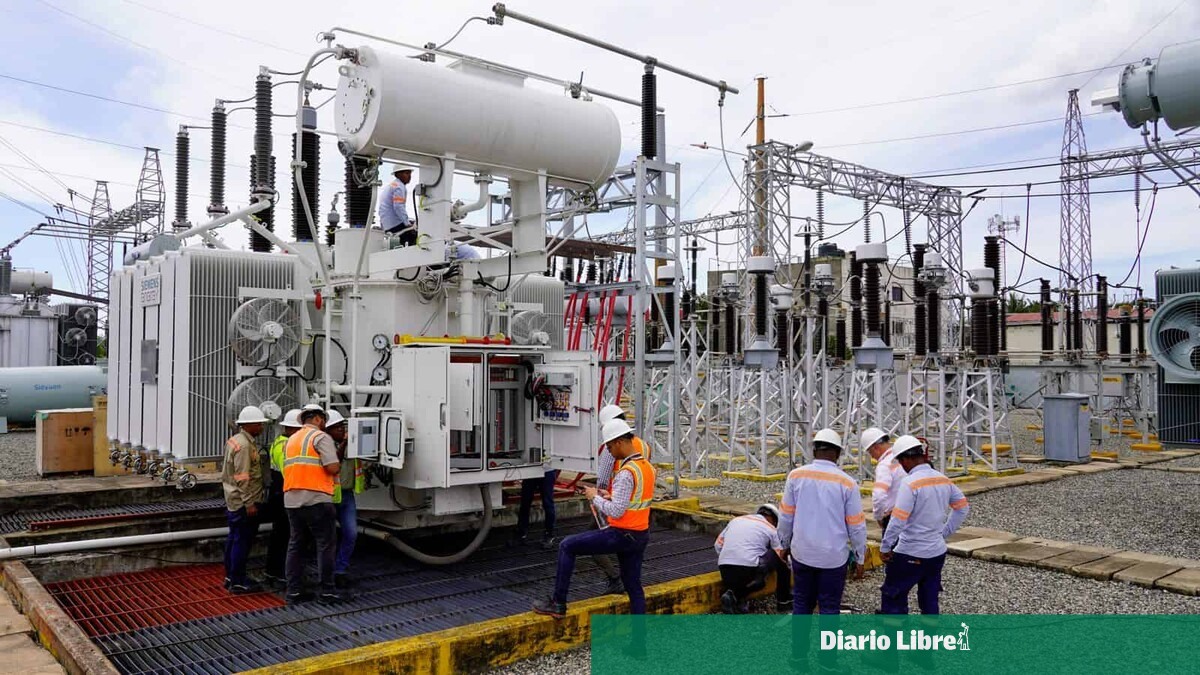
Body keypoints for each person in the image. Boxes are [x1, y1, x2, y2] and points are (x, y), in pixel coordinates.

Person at [532, 418, 656, 619]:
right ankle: (638, 638)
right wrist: (610, 496)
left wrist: (594, 497)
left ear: (619, 442)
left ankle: (558, 603)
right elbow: (635, 499)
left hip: (621, 534)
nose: (609, 452)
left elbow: (616, 511)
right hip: (640, 534)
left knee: (567, 546)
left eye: (609, 447)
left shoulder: (626, 473)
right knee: (633, 587)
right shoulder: (646, 467)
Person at [779, 428, 867, 615]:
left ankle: (800, 637)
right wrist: (860, 557)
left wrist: (783, 545)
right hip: (833, 558)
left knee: (802, 604)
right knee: (829, 608)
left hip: (802, 553)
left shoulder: (795, 476)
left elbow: (786, 517)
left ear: (814, 451)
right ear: (838, 453)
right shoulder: (848, 483)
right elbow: (856, 526)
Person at [879, 435, 970, 615]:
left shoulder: (910, 483)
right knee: (930, 601)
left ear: (905, 460)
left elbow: (898, 520)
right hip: (936, 553)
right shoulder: (943, 479)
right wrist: (943, 533)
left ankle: (893, 633)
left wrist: (886, 546)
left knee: (893, 598)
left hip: (909, 552)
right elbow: (962, 508)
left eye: (901, 462)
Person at [282, 406, 344, 604]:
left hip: (292, 500)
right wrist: (338, 462)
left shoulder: (291, 440)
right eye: (324, 420)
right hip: (317, 499)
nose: (325, 424)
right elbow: (332, 467)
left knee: (296, 545)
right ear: (317, 419)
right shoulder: (320, 437)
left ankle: (293, 591)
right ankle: (327, 592)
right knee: (325, 544)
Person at [589, 403, 647, 595]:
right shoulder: (642, 444)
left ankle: (614, 578)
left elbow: (603, 478)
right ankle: (628, 580)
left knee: (591, 541)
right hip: (638, 513)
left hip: (614, 506)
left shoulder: (612, 446)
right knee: (629, 551)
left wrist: (596, 499)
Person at [221, 405, 268, 594]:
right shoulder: (245, 446)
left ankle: (231, 576)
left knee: (234, 538)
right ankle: (238, 581)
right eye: (259, 424)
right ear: (249, 425)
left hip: (233, 499)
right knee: (242, 541)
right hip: (243, 502)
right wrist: (249, 503)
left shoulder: (235, 440)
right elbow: (242, 477)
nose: (261, 428)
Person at [715, 504, 791, 614]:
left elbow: (717, 545)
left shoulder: (735, 521)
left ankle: (734, 597)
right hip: (749, 570)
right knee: (778, 557)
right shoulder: (770, 528)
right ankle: (783, 601)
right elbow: (780, 553)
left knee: (743, 577)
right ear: (774, 520)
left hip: (724, 569)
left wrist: (730, 558)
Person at [324, 410, 365, 588]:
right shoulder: (324, 445)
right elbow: (334, 462)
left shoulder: (351, 443)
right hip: (330, 497)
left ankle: (340, 569)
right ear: (328, 431)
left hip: (347, 495)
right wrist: (345, 443)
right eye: (337, 427)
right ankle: (327, 574)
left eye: (342, 426)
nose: (341, 429)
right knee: (328, 537)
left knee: (351, 533)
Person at [263, 408, 302, 588]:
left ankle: (276, 571)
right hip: (283, 496)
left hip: (281, 494)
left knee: (283, 535)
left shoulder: (282, 443)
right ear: (291, 429)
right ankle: (278, 572)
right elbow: (289, 472)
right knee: (283, 535)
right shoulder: (284, 446)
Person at [862, 427, 904, 533]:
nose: (873, 457)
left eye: (871, 453)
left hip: (894, 516)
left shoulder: (884, 465)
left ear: (876, 448)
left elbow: (879, 496)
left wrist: (879, 516)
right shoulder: (903, 457)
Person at [511, 466, 560, 550]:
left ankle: (549, 535)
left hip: (546, 471)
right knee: (525, 502)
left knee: (548, 504)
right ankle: (521, 533)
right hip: (531, 471)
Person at [379, 165, 415, 245]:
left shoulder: (391, 185)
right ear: (398, 174)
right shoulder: (399, 186)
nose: (409, 176)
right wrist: (407, 223)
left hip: (387, 226)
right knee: (415, 237)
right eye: (407, 173)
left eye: (410, 173)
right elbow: (398, 207)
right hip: (395, 225)